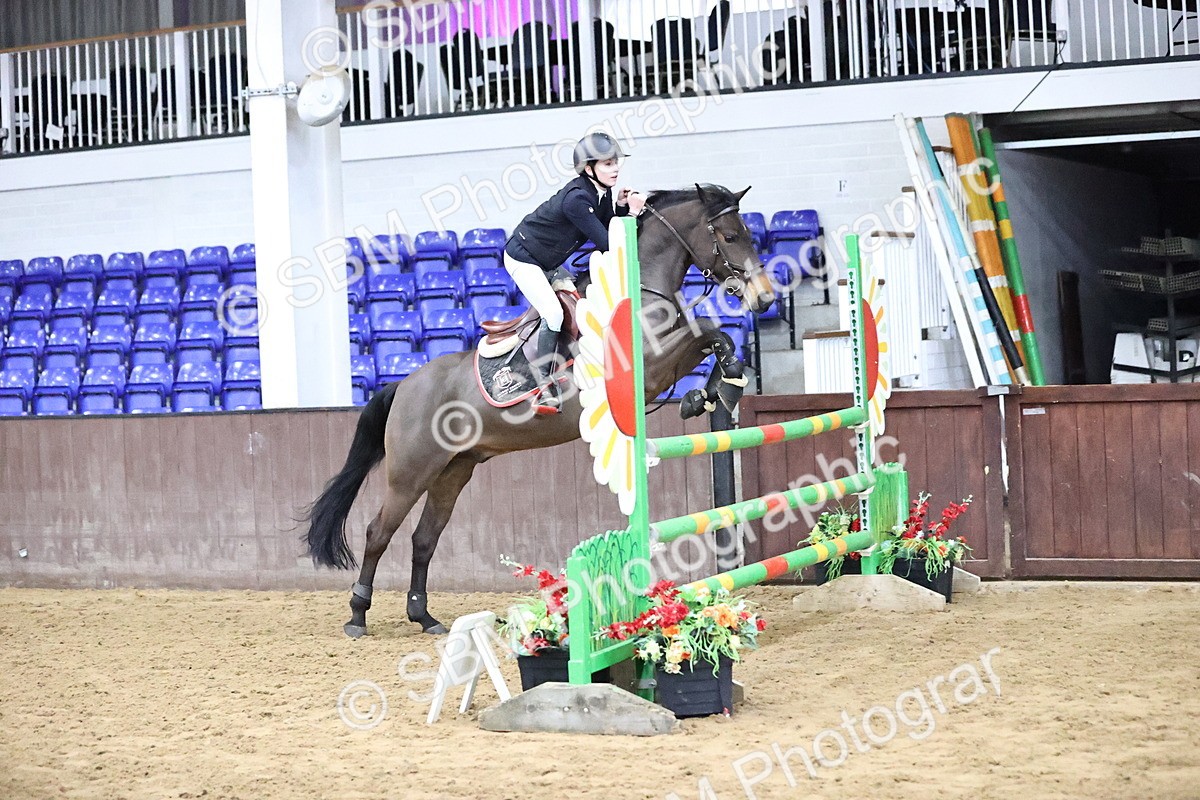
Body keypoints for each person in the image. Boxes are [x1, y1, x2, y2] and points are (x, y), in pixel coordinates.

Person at [504, 131, 646, 413]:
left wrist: (618, 207)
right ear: (589, 168)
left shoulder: (599, 193)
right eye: (607, 164)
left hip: (547, 261)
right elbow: (609, 244)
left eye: (615, 162)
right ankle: (542, 385)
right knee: (554, 314)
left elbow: (607, 225)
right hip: (523, 258)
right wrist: (633, 214)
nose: (615, 168)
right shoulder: (577, 199)